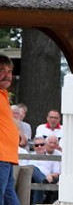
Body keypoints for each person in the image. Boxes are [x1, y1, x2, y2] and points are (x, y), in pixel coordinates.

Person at [0, 54, 20, 204]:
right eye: (1, 70)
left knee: (9, 198)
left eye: (9, 71)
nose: (7, 75)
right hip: (1, 157)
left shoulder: (4, 96)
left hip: (6, 158)